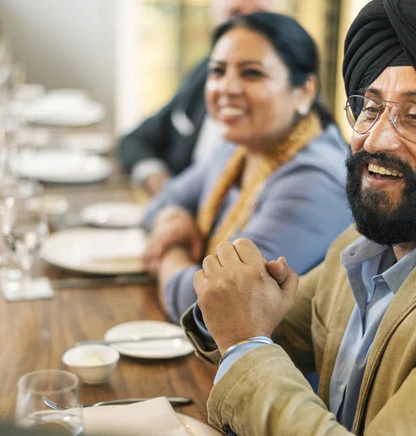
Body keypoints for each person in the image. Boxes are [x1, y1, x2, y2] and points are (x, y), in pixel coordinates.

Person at [182, 0, 416, 434]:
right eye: (370, 107)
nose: (376, 138)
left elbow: (250, 340)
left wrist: (244, 343)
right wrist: (224, 307)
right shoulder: (371, 239)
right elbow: (275, 325)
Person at [142, 12, 352, 323]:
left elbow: (208, 305)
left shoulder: (315, 182)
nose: (226, 88)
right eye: (218, 71)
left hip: (268, 366)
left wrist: (170, 250)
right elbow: (161, 202)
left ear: (304, 91)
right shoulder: (241, 144)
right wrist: (176, 219)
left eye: (251, 73)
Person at [118, 0, 287, 196]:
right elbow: (137, 139)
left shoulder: (283, 120)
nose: (246, 26)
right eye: (234, 13)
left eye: (261, 17)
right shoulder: (203, 74)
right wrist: (158, 181)